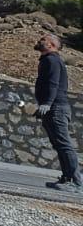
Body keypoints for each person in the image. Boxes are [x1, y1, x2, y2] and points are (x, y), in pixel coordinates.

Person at [34, 33, 79, 191]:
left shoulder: (52, 60)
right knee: (59, 145)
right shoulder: (48, 60)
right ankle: (67, 178)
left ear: (51, 45)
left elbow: (53, 84)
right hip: (53, 108)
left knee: (64, 145)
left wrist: (47, 104)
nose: (40, 40)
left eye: (44, 39)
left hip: (57, 108)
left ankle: (75, 182)